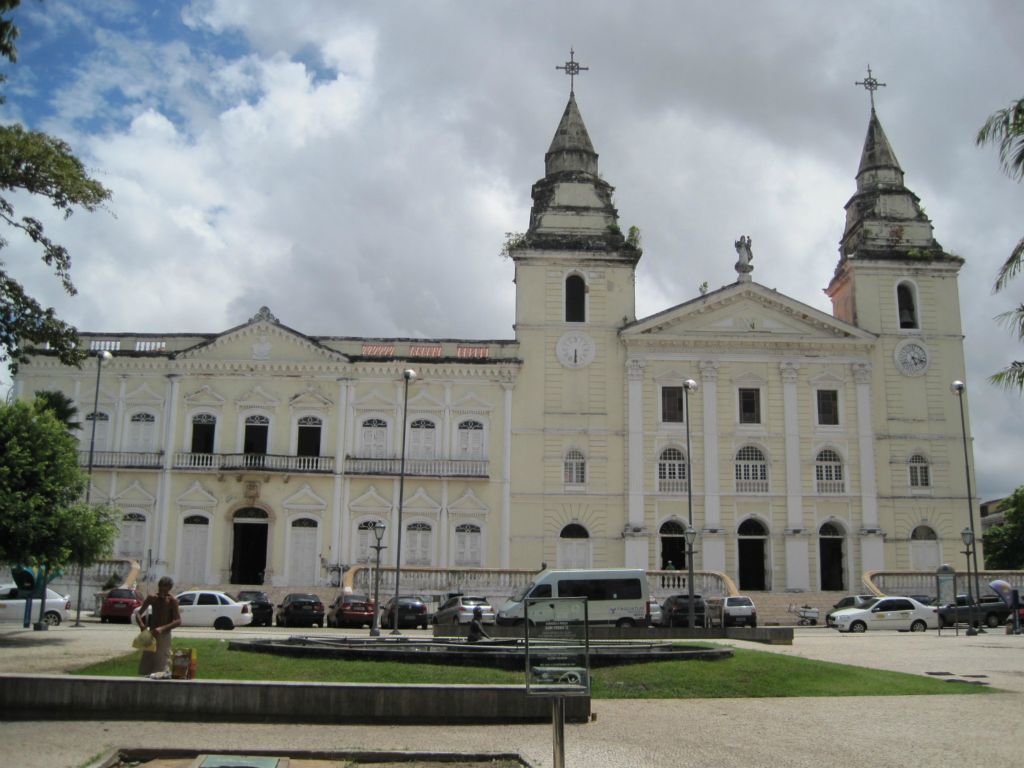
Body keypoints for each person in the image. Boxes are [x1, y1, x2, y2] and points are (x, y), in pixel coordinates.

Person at [135, 576, 181, 677]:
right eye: (161, 587)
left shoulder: (172, 601)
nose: (162, 590)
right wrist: (142, 626)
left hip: (164, 635)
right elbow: (138, 613)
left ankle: (160, 679)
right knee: (147, 662)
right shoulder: (152, 598)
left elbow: (178, 621)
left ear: (169, 588)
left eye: (165, 588)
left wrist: (162, 628)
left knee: (162, 662)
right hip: (151, 634)